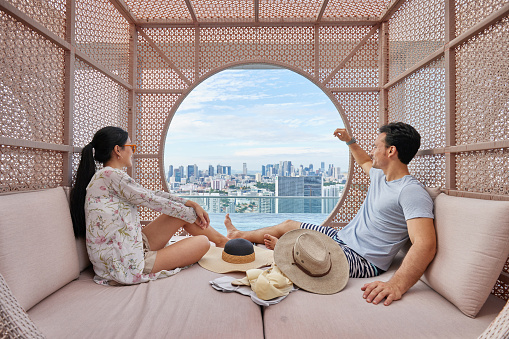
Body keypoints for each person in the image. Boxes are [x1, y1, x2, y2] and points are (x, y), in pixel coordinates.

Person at [225, 122, 436, 306]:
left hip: (363, 259)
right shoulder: (381, 176)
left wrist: (396, 285)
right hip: (341, 238)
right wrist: (349, 141)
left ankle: (272, 249)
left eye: (376, 146)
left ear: (391, 151)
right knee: (288, 225)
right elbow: (363, 161)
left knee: (301, 254)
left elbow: (425, 244)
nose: (372, 151)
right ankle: (237, 235)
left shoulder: (410, 191)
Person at [70, 126, 229, 285]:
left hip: (129, 248)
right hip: (125, 265)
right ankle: (223, 241)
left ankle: (222, 241)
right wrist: (191, 213)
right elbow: (152, 200)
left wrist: (190, 204)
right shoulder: (110, 175)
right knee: (202, 242)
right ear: (118, 150)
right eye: (131, 147)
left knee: (179, 215)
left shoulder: (107, 176)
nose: (133, 151)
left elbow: (151, 194)